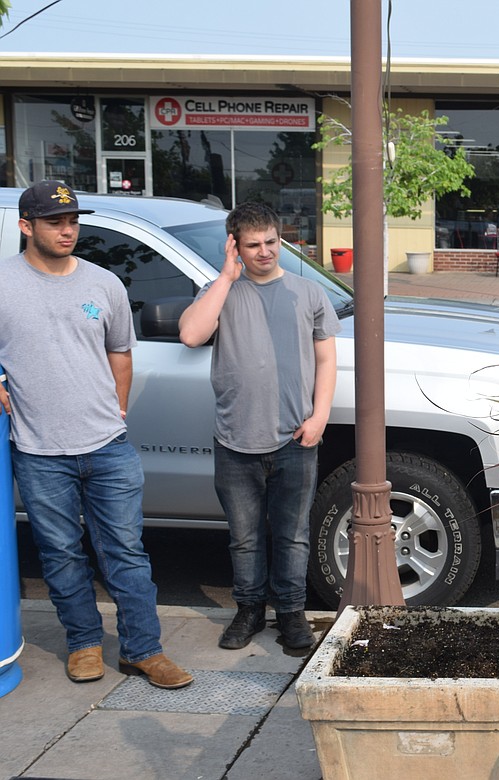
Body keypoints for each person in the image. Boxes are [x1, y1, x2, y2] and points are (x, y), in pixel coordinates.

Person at [0, 181, 192, 689]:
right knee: (62, 554)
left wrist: (118, 409)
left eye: (72, 221)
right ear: (26, 227)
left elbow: (120, 353)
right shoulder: (2, 284)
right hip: (39, 450)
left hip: (108, 446)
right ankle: (84, 644)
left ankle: (143, 651)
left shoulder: (104, 283)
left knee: (126, 552)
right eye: (55, 222)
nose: (68, 230)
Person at [178, 201, 340, 651]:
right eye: (253, 245)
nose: (265, 251)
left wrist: (319, 417)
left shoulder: (308, 294)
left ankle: (291, 615)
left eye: (271, 241)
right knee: (244, 540)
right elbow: (191, 334)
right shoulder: (222, 291)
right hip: (235, 441)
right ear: (235, 247)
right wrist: (226, 278)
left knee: (292, 537)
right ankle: (249, 611)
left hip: (295, 438)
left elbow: (326, 360)